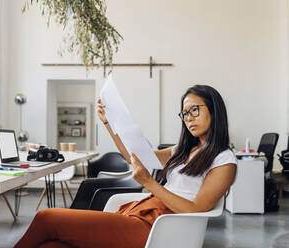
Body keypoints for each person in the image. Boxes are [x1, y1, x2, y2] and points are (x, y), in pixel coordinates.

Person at [14, 85, 237, 248]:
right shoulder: (183, 148)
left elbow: (195, 209)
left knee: (47, 218)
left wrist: (150, 183)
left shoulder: (224, 159)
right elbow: (135, 158)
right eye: (185, 113)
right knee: (51, 246)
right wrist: (109, 123)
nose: (189, 118)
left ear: (214, 110)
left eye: (194, 110)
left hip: (162, 228)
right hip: (144, 214)